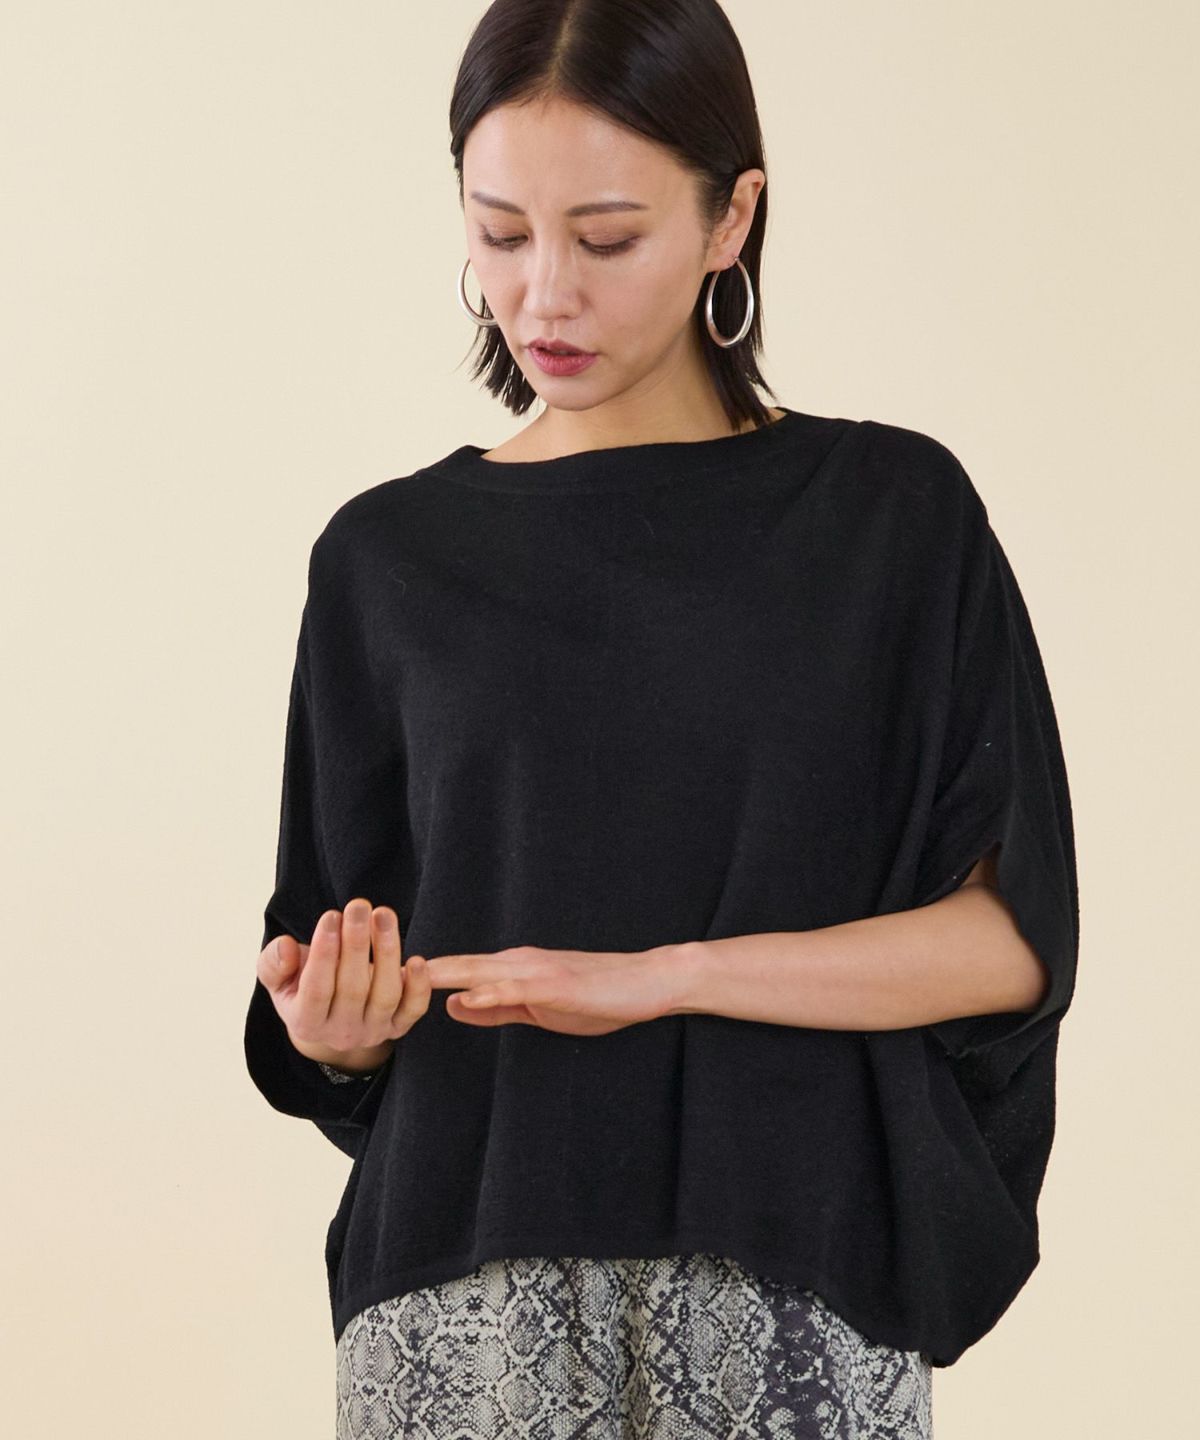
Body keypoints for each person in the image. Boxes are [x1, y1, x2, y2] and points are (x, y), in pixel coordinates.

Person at [244, 2, 1078, 1436]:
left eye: (607, 238)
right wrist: (341, 1024)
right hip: (462, 1290)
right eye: (501, 233)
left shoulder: (892, 522)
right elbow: (340, 979)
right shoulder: (387, 559)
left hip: (793, 1267)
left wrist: (665, 977)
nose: (544, 295)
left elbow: (1009, 942)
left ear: (729, 216)